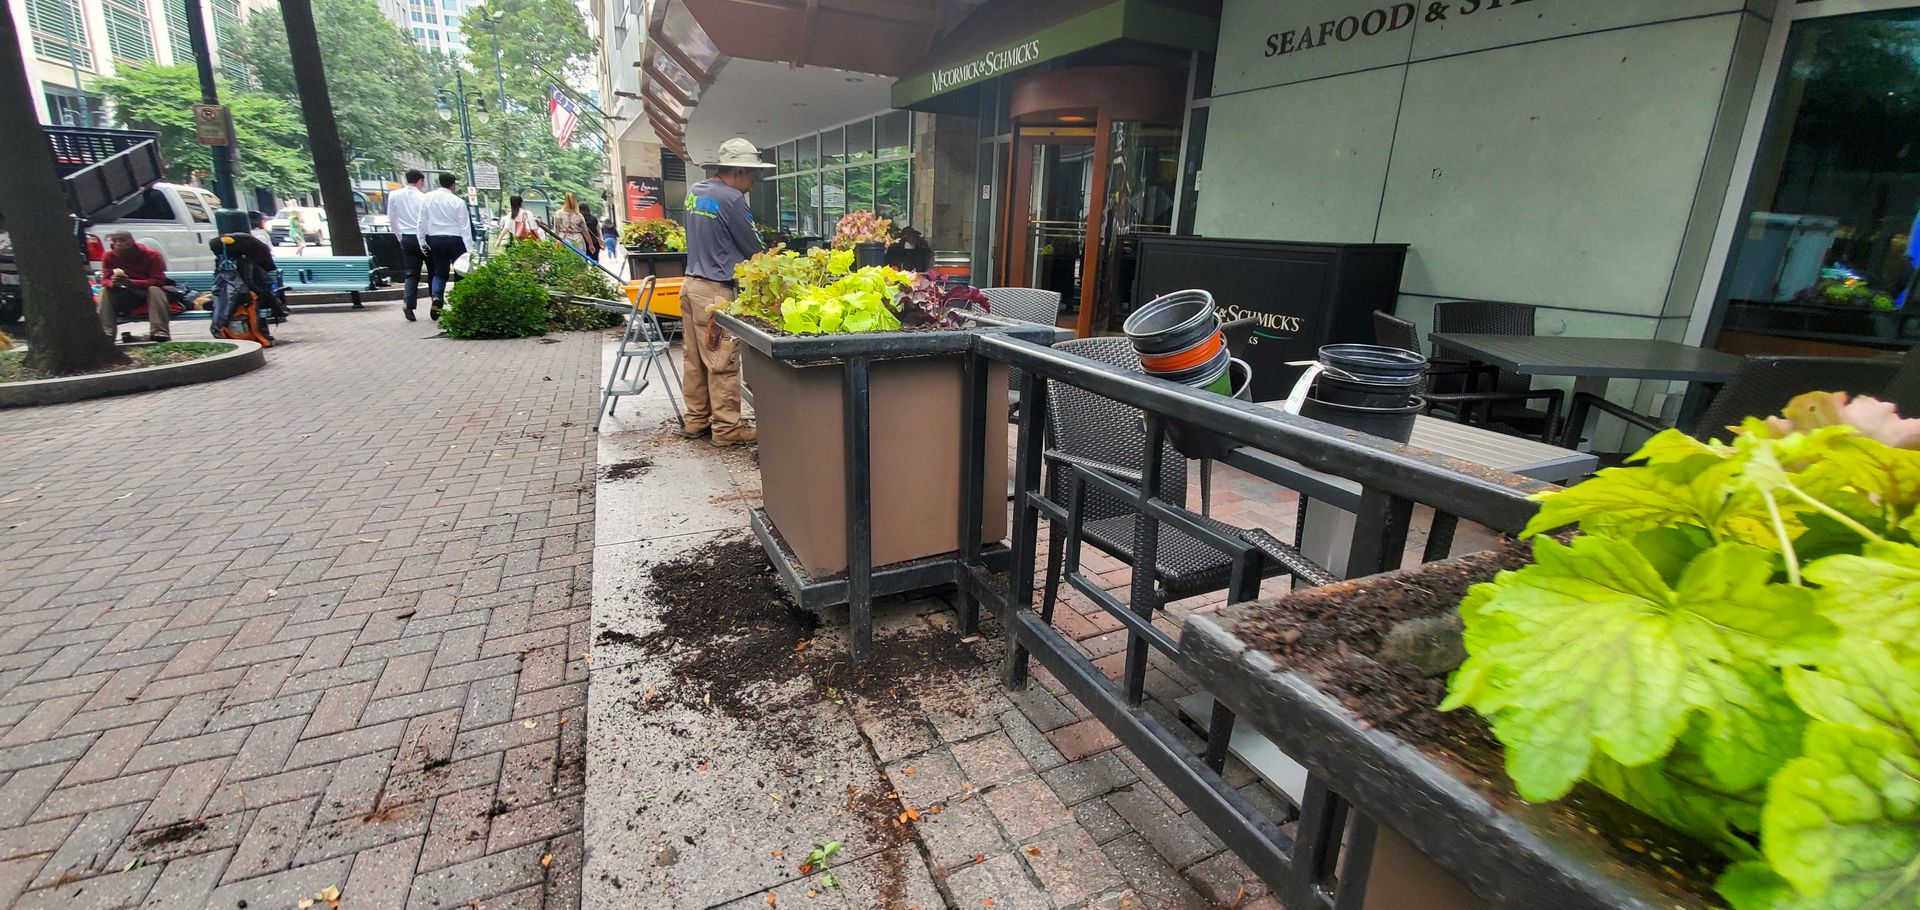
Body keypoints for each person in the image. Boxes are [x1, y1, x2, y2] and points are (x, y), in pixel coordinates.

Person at [681, 137, 773, 447]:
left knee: (695, 358)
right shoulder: (732, 199)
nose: (752, 183)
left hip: (691, 284)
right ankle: (726, 429)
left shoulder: (695, 192)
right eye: (751, 175)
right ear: (737, 171)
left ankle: (696, 421)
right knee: (722, 361)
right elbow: (753, 247)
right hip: (716, 292)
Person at [95, 231, 175, 342]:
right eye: (115, 241)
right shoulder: (109, 256)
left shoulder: (152, 255)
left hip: (151, 294)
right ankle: (106, 332)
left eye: (123, 240)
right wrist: (113, 283)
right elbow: (105, 280)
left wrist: (132, 282)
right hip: (129, 295)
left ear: (132, 241)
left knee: (154, 290)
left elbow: (158, 280)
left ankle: (160, 331)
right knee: (104, 291)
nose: (118, 244)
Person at [418, 172, 472, 320]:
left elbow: (421, 222)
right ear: (453, 184)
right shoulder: (458, 202)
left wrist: (422, 241)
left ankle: (436, 297)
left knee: (439, 273)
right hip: (456, 240)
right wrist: (469, 250)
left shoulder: (427, 199)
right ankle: (459, 304)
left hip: (435, 240)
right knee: (461, 272)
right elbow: (464, 227)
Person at [387, 169, 429, 321]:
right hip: (423, 237)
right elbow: (426, 220)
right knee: (432, 271)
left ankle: (408, 304)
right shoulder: (423, 197)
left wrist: (400, 237)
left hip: (407, 237)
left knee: (411, 274)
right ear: (419, 181)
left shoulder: (394, 195)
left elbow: (392, 219)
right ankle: (435, 303)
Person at [552, 192, 591, 256]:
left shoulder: (558, 213)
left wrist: (556, 240)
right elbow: (584, 230)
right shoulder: (579, 215)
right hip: (578, 239)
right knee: (579, 258)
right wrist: (590, 244)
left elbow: (556, 228)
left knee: (565, 258)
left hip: (564, 238)